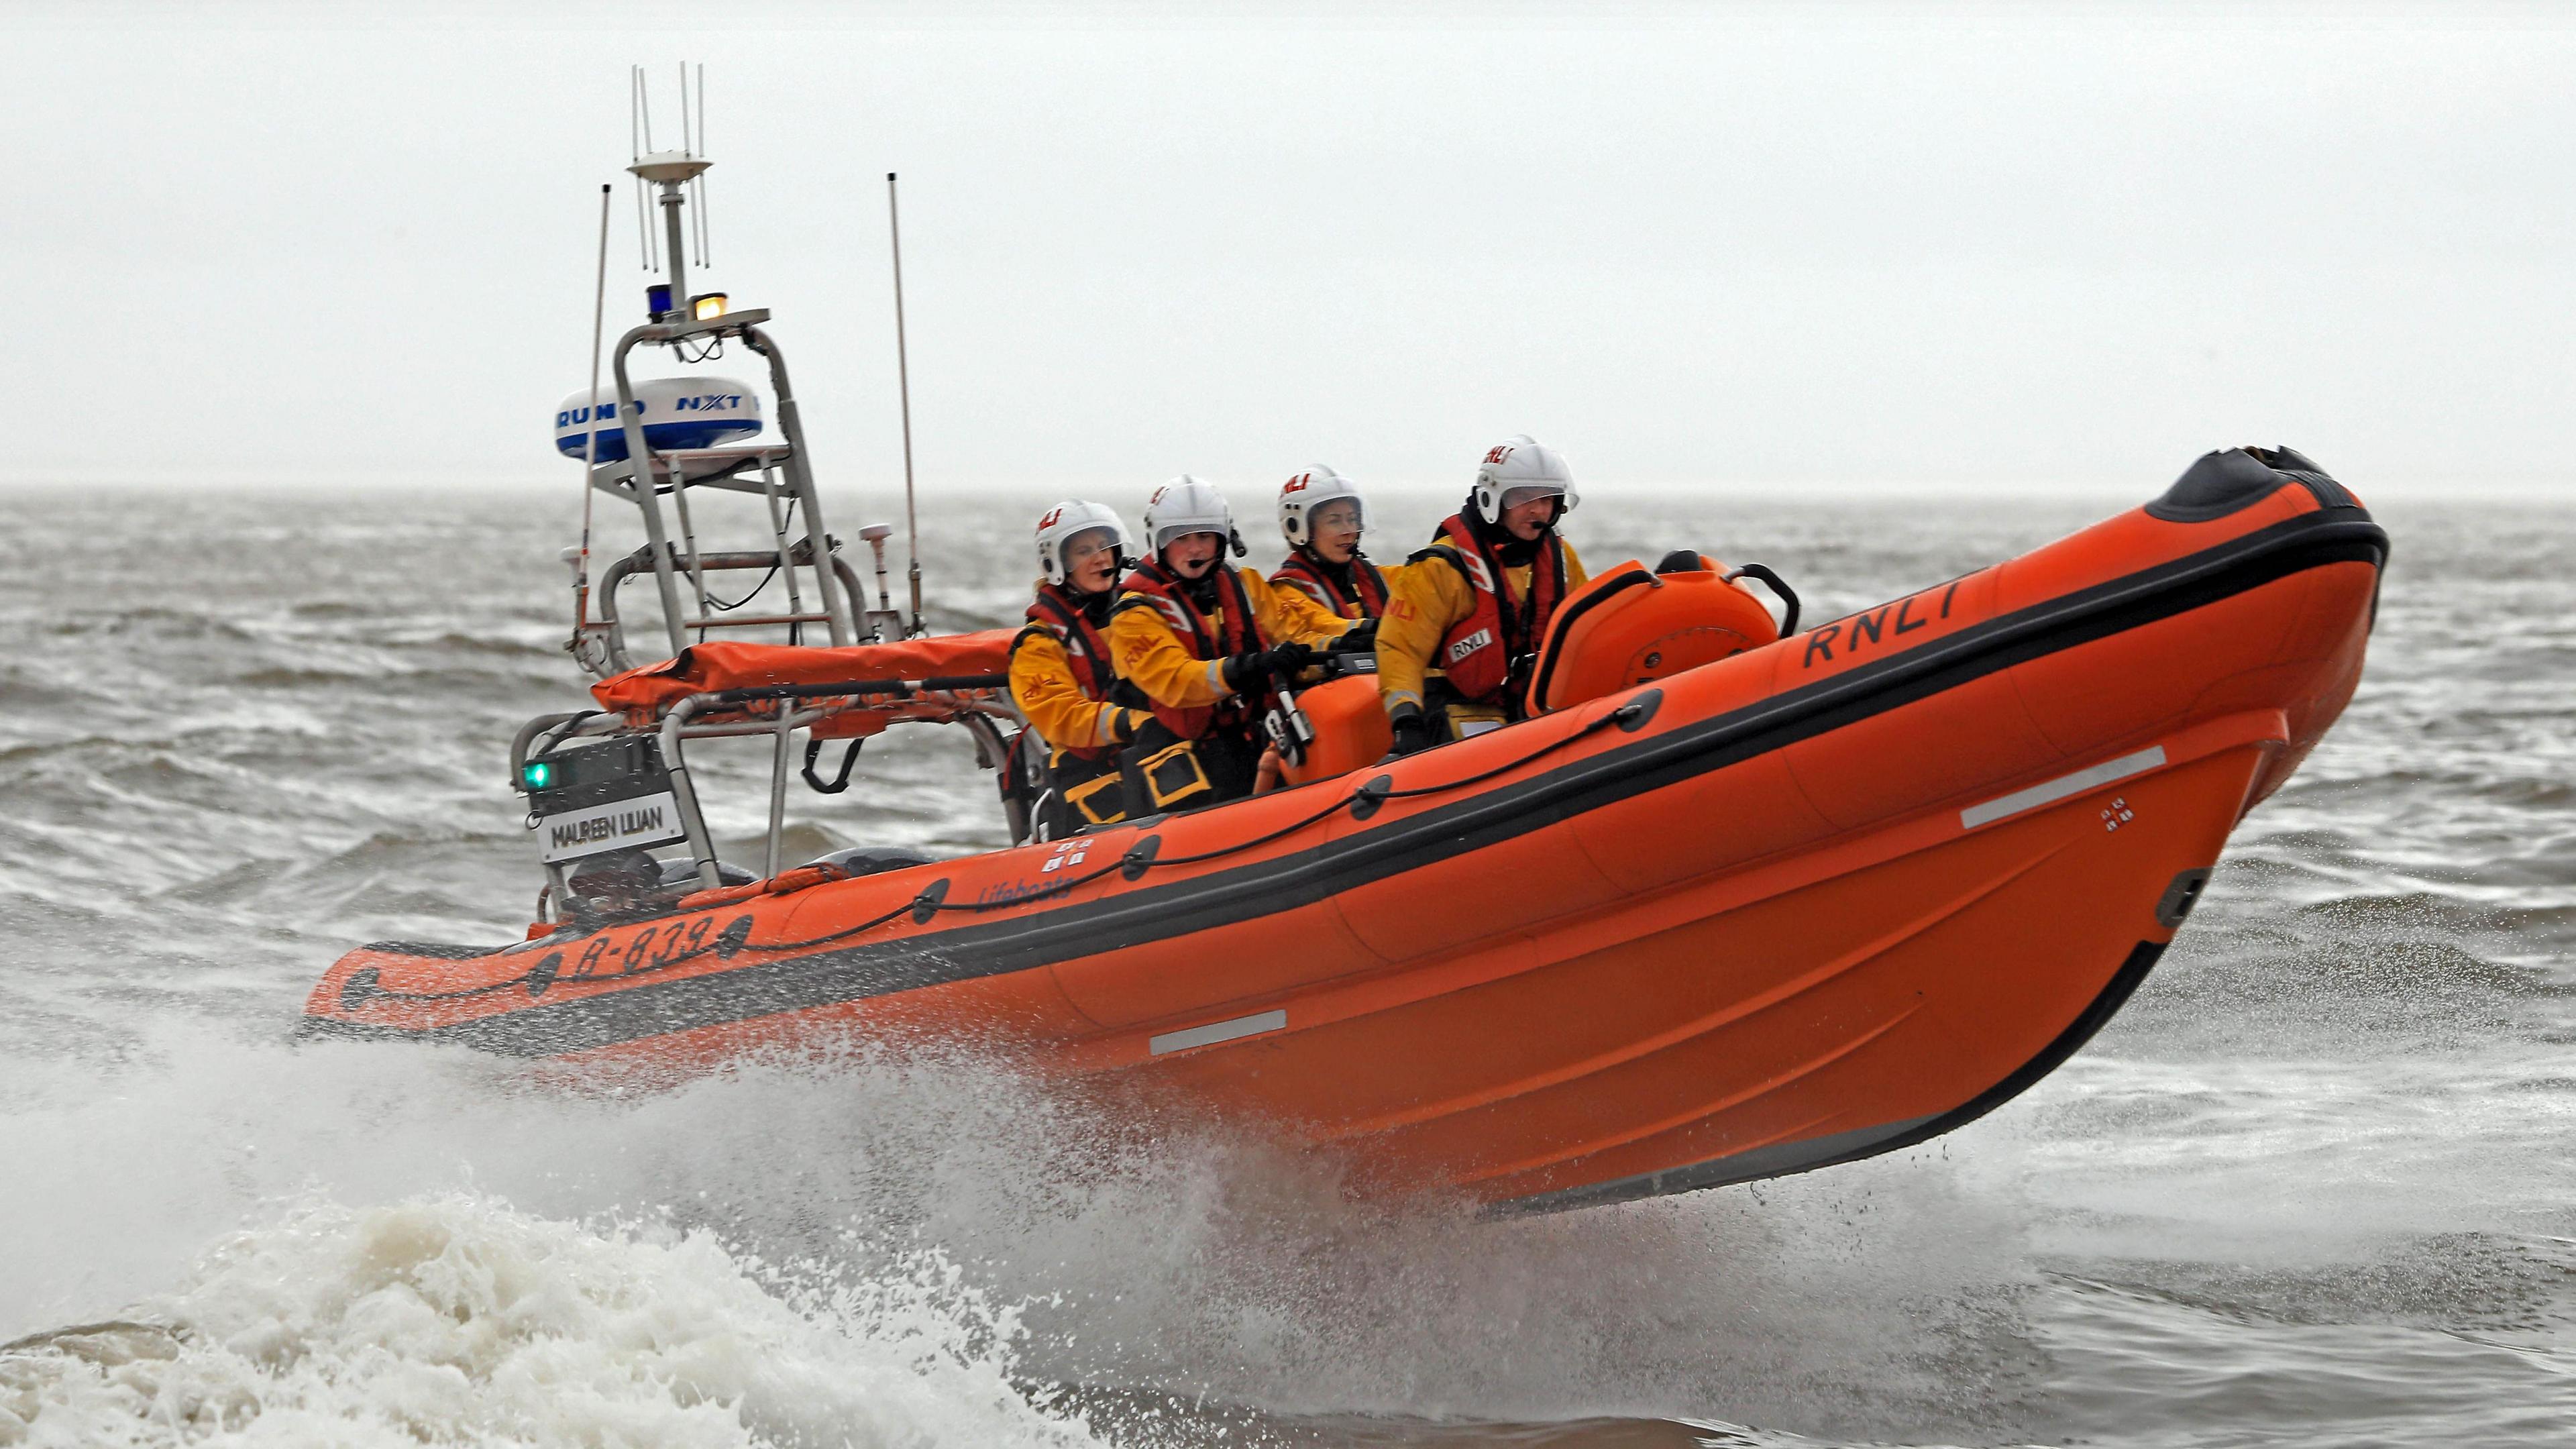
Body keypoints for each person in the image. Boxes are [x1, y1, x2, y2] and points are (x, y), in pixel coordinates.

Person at [1108, 476, 1356, 814]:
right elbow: (1176, 681)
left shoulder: (1244, 585)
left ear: (1223, 539)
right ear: (1160, 542)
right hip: (1185, 752)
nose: (1195, 549)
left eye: (1205, 537)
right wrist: (1250, 666)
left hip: (1250, 738)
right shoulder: (1134, 614)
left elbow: (1295, 630)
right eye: (1182, 538)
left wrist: (1354, 636)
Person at [1377, 434, 1591, 753]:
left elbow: (1587, 625)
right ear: (1493, 497)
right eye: (1525, 497)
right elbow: (1400, 649)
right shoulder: (1440, 568)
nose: (1539, 510)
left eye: (1548, 499)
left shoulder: (1560, 559)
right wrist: (1406, 723)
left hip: (1534, 705)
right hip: (1458, 707)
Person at [1009, 501, 1152, 838]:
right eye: (1084, 551)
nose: (1100, 558)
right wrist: (1129, 722)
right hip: (1090, 777)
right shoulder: (1038, 644)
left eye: (1105, 546)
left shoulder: (1142, 613)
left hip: (1151, 758)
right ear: (1057, 563)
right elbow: (1062, 717)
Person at [1269, 466, 1395, 626]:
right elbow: (1321, 626)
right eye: (1334, 521)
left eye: (1352, 519)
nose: (1349, 531)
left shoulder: (1373, 576)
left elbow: (1417, 579)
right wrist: (1364, 631)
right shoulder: (1286, 593)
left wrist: (1435, 555)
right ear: (1298, 528)